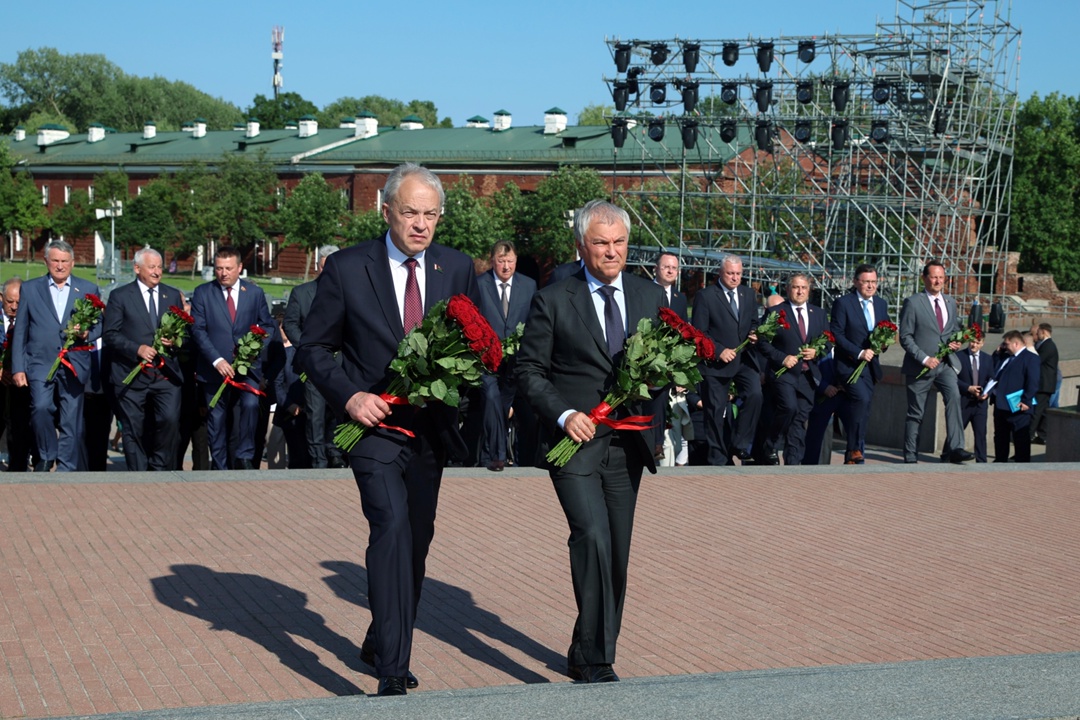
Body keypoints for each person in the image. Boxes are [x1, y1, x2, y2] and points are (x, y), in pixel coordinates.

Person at [298, 163, 480, 697]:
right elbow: (313, 348)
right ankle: (393, 669)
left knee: (417, 543)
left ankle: (381, 635)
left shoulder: (457, 268)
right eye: (410, 213)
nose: (420, 224)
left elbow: (476, 341)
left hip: (430, 431)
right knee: (392, 529)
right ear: (386, 213)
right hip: (373, 428)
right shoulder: (348, 268)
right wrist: (351, 396)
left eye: (430, 214)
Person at [516, 199, 665, 684]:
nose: (611, 251)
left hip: (629, 446)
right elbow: (530, 371)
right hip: (575, 443)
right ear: (581, 245)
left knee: (617, 551)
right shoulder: (554, 299)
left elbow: (664, 364)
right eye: (601, 243)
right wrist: (564, 414)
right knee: (592, 537)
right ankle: (599, 660)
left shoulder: (650, 296)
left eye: (619, 242)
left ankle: (586, 645)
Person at [11, 240, 102, 472]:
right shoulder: (31, 289)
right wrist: (18, 368)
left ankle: (66, 467)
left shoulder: (88, 289)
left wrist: (87, 332)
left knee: (72, 420)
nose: (60, 266)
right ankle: (46, 455)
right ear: (46, 262)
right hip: (40, 362)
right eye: (55, 261)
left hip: (74, 363)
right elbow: (21, 330)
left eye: (64, 261)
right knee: (40, 408)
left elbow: (102, 323)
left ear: (72, 263)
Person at [190, 246, 275, 471]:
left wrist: (253, 350)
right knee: (216, 420)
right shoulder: (202, 293)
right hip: (214, 368)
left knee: (250, 404)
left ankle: (245, 455)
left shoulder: (254, 293)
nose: (223, 273)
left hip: (247, 368)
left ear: (239, 268)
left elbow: (267, 325)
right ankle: (219, 465)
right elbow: (198, 330)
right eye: (218, 268)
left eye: (228, 268)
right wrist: (217, 360)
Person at [102, 248, 184, 471]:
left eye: (159, 267)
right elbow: (110, 334)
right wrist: (136, 349)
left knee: (169, 420)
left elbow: (182, 332)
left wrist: (174, 339)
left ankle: (159, 468)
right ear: (137, 268)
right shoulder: (120, 296)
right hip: (131, 373)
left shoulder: (172, 295)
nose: (157, 272)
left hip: (164, 374)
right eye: (152, 267)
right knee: (133, 427)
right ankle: (139, 474)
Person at [898, 260, 973, 464]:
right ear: (924, 278)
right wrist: (924, 358)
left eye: (941, 277)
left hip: (945, 364)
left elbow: (953, 330)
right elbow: (905, 336)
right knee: (916, 412)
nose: (938, 281)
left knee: (954, 399)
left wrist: (957, 340)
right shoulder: (913, 302)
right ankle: (911, 453)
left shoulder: (950, 302)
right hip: (919, 367)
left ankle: (955, 448)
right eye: (933, 276)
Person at [691, 254, 762, 465]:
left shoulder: (748, 294)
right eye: (730, 273)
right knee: (715, 411)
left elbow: (754, 321)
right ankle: (717, 458)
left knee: (755, 395)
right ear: (721, 273)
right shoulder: (706, 296)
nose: (735, 278)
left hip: (744, 359)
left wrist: (755, 332)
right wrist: (719, 350)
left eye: (738, 273)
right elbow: (698, 332)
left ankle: (739, 444)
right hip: (716, 363)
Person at [756, 273, 829, 465]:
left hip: (807, 375)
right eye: (796, 287)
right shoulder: (777, 312)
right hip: (784, 374)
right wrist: (782, 358)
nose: (800, 291)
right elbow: (762, 342)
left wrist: (817, 351)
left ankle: (793, 463)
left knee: (800, 419)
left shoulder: (819, 314)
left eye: (804, 288)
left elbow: (828, 342)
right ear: (788, 290)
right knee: (788, 407)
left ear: (809, 290)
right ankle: (770, 444)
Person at [476, 240, 536, 471]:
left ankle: (489, 454)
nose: (506, 266)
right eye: (501, 261)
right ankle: (497, 456)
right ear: (493, 261)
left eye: (510, 261)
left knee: (501, 405)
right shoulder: (480, 284)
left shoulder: (528, 285)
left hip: (515, 362)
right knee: (491, 397)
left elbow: (533, 320)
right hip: (486, 360)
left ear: (516, 262)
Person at [283, 245, 343, 468]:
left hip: (338, 364)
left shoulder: (348, 292)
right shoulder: (301, 293)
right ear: (318, 267)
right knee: (315, 415)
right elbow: (289, 323)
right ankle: (318, 460)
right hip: (312, 365)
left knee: (338, 411)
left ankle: (335, 452)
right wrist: (307, 346)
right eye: (324, 267)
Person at [829, 264, 892, 465]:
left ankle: (853, 454)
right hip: (848, 366)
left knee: (863, 408)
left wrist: (882, 344)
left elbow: (888, 331)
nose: (870, 286)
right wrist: (858, 352)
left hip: (870, 367)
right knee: (861, 400)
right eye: (866, 282)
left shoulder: (881, 304)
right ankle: (855, 448)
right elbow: (836, 334)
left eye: (873, 282)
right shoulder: (844, 303)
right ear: (856, 282)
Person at [648, 252, 688, 462]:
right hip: (648, 356)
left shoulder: (679, 298)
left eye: (674, 268)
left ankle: (656, 444)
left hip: (670, 360)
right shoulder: (645, 291)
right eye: (666, 267)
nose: (671, 271)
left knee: (662, 400)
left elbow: (685, 330)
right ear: (656, 269)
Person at [986, 330, 1039, 463]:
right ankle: (1000, 461)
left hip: (1018, 406)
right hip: (1001, 404)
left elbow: (1033, 381)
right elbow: (993, 368)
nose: (1004, 346)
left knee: (1020, 437)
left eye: (1006, 343)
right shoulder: (1005, 357)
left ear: (1016, 343)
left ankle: (1021, 464)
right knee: (1000, 436)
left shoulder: (1030, 358)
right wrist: (997, 352)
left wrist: (1026, 400)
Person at [0, 277, 34, 471]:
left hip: (20, 387)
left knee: (19, 431)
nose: (13, 307)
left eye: (18, 303)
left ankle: (18, 470)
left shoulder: (31, 322)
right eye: (9, 301)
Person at [956, 335, 992, 463]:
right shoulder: (959, 357)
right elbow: (952, 378)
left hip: (980, 403)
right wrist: (967, 388)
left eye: (978, 342)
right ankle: (947, 456)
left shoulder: (988, 359)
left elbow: (991, 379)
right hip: (964, 400)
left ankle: (981, 460)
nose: (974, 345)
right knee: (957, 431)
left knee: (981, 433)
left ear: (982, 343)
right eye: (972, 342)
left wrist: (988, 393)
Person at [1030, 322, 1058, 444]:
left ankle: (1029, 434)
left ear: (1044, 332)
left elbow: (1038, 360)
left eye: (1039, 332)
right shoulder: (1047, 345)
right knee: (1044, 411)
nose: (1037, 334)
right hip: (1046, 384)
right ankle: (1043, 434)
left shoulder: (1048, 345)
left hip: (1044, 384)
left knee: (1037, 410)